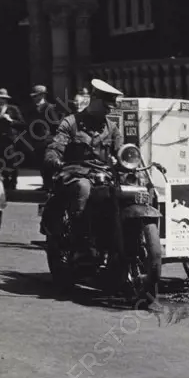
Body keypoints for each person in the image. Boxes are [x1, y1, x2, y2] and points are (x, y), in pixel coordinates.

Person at [43, 79, 124, 261]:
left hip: (103, 175)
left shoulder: (111, 128)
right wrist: (54, 157)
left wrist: (127, 160)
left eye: (111, 107)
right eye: (106, 106)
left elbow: (121, 151)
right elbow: (57, 145)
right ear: (94, 100)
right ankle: (81, 245)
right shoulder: (71, 123)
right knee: (83, 187)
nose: (109, 111)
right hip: (75, 173)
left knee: (123, 191)